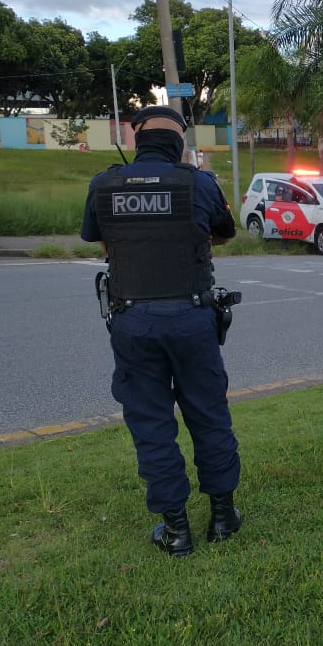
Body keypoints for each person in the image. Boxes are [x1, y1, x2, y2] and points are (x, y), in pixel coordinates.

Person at [80, 105, 242, 557]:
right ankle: (223, 517)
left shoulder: (105, 184)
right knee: (208, 412)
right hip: (192, 316)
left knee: (151, 422)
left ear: (138, 141)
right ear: (179, 144)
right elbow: (223, 233)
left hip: (133, 319)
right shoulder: (200, 183)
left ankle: (176, 530)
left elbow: (101, 239)